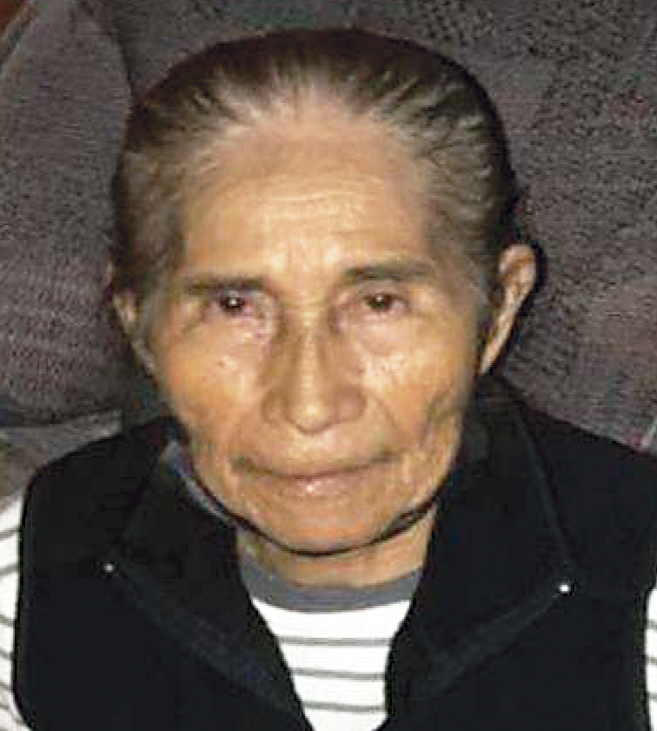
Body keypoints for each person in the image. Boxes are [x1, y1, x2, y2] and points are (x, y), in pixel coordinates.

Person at [14, 29, 657, 731]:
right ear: (140, 324)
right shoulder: (34, 581)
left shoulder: (638, 597)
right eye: (234, 306)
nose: (311, 402)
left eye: (379, 303)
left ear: (497, 308)